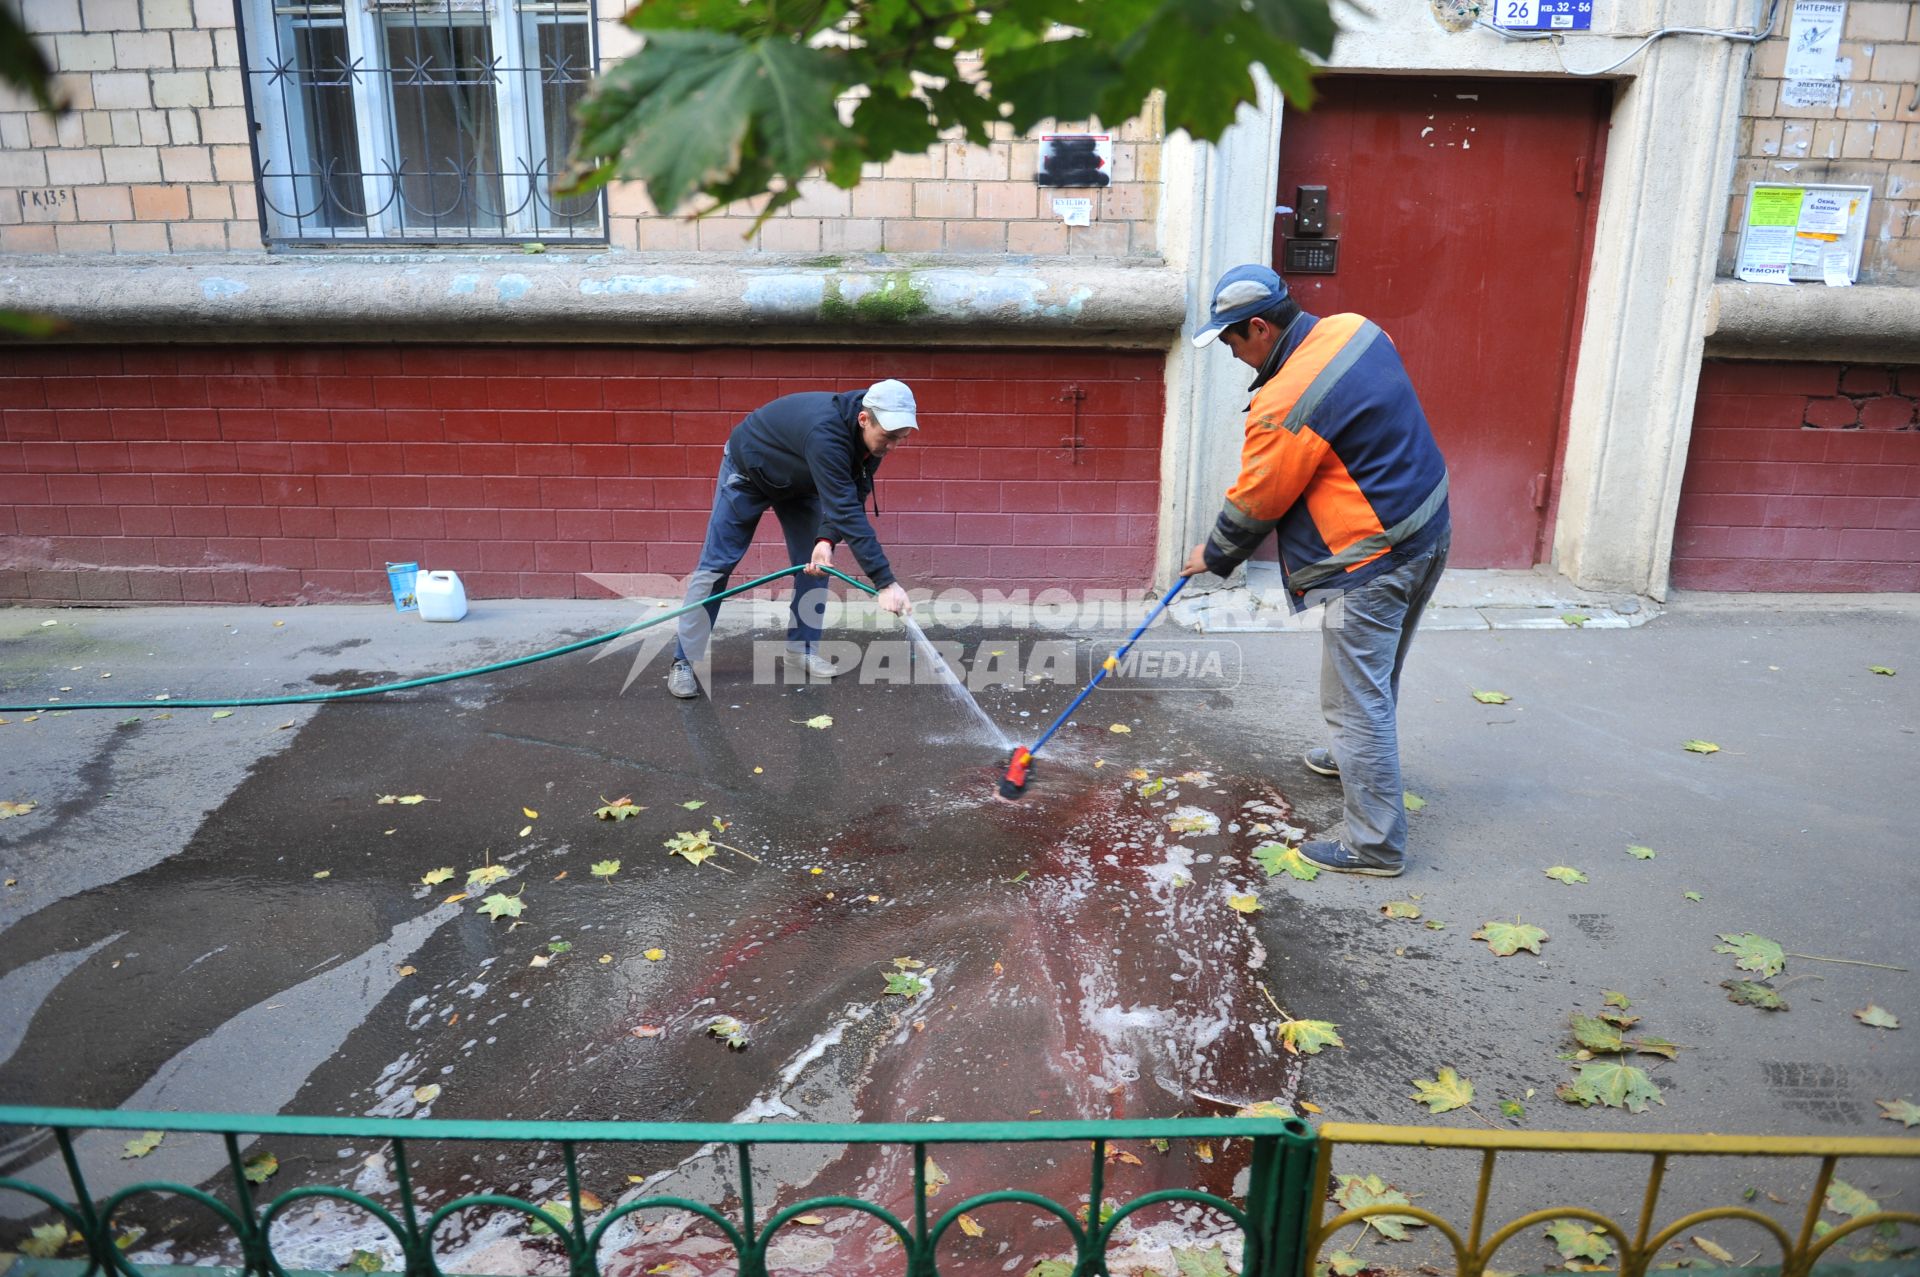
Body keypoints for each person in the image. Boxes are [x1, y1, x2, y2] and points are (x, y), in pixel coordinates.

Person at [1182, 265, 1451, 878]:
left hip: (1373, 561)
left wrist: (1215, 554)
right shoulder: (1355, 330)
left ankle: (1375, 846)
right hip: (1428, 527)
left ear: (1259, 326)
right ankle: (1347, 758)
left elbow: (1257, 501)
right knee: (1376, 677)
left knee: (1357, 701)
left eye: (1231, 340)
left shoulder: (1283, 403)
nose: (1230, 352)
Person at [667, 379, 917, 698]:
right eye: (889, 437)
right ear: (864, 419)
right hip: (749, 472)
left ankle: (801, 649)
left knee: (815, 565)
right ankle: (683, 661)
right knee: (716, 566)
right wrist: (885, 582)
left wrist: (825, 541)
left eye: (900, 438)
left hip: (800, 483)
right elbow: (846, 510)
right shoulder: (826, 434)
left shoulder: (874, 439)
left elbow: (853, 493)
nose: (893, 446)